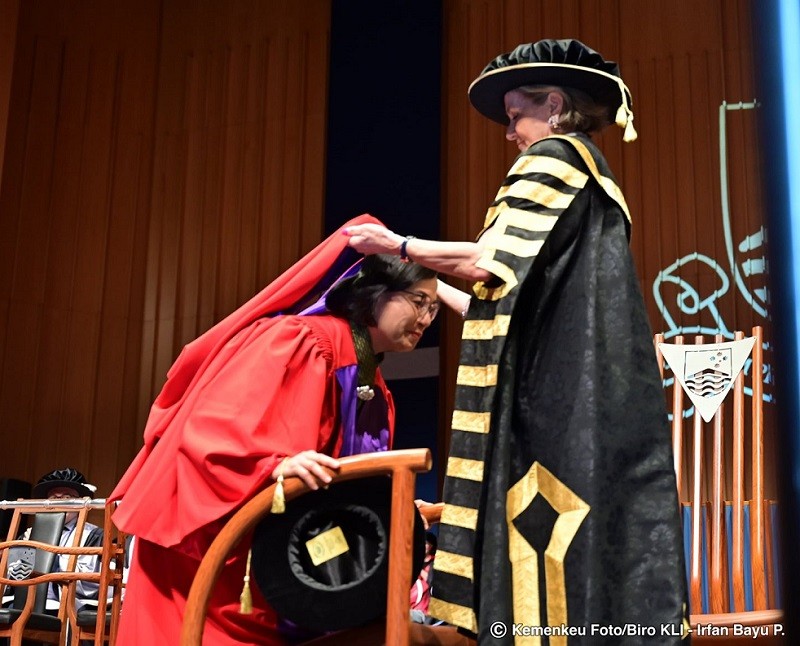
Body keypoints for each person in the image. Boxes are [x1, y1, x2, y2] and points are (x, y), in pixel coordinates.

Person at [344, 39, 688, 643]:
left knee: (542, 521)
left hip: (554, 399)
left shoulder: (553, 156)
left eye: (514, 115)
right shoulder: (592, 171)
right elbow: (500, 297)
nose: (509, 134)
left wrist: (396, 245)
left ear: (553, 105)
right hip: (586, 386)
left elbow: (484, 264)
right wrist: (437, 297)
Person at [108, 216, 439, 645]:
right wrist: (276, 464)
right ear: (376, 292)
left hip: (282, 553)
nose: (427, 319)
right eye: (418, 301)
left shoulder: (370, 376)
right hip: (207, 555)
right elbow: (212, 430)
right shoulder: (298, 339)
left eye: (433, 308)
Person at [1, 468, 105, 614]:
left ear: (81, 502)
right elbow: (15, 575)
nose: (59, 502)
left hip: (68, 604)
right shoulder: (29, 534)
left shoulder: (94, 535)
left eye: (67, 497)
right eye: (53, 498)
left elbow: (95, 584)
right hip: (24, 602)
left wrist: (58, 567)